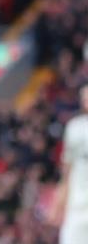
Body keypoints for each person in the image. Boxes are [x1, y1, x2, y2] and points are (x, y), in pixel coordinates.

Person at [54, 85, 88, 244]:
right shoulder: (75, 127)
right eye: (85, 98)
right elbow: (67, 168)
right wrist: (59, 202)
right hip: (77, 203)